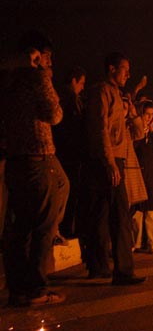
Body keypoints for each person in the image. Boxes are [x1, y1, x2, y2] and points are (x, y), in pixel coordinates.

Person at [1, 32, 69, 306]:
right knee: (43, 224)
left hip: (15, 159)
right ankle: (38, 289)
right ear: (37, 54)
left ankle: (18, 289)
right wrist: (50, 86)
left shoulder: (7, 80)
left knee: (19, 228)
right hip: (39, 158)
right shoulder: (37, 76)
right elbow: (54, 114)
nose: (51, 61)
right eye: (48, 56)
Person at [84, 52, 146, 284]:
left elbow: (137, 134)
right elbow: (100, 129)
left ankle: (99, 266)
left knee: (100, 214)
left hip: (111, 159)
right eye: (124, 69)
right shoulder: (102, 91)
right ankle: (123, 271)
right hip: (107, 160)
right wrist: (110, 162)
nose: (128, 74)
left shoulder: (118, 96)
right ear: (111, 69)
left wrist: (131, 113)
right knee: (120, 215)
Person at [53, 66, 86, 239]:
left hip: (69, 152)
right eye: (81, 83)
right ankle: (64, 228)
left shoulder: (72, 98)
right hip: (68, 153)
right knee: (68, 189)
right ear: (74, 81)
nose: (83, 87)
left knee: (72, 191)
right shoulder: (68, 99)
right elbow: (70, 126)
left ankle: (66, 227)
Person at [132, 100, 153, 253]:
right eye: (146, 114)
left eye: (151, 115)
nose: (149, 117)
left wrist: (152, 130)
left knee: (152, 208)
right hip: (138, 172)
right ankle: (136, 242)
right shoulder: (135, 130)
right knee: (138, 209)